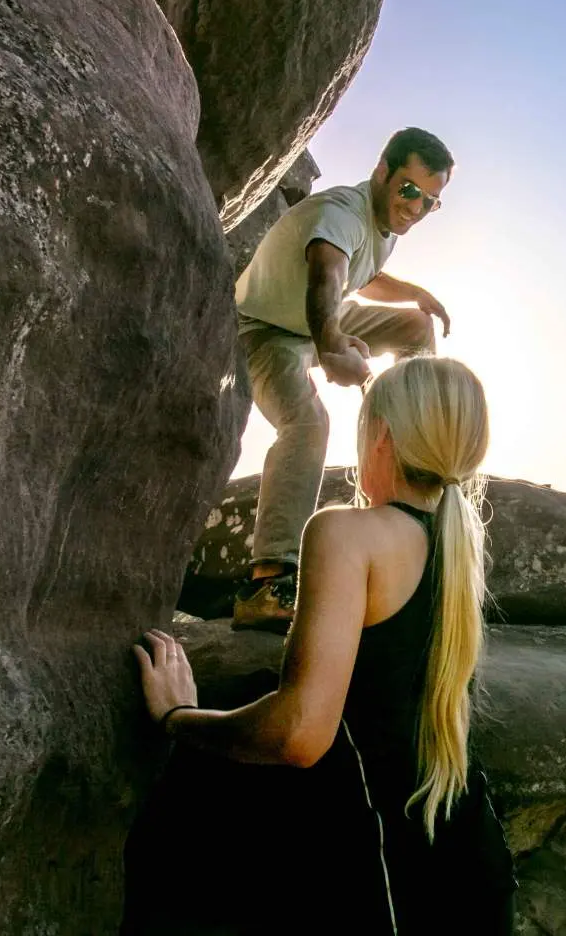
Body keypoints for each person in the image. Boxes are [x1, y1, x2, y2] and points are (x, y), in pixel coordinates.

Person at [134, 356, 515, 934]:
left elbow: (300, 733)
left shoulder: (347, 532)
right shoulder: (457, 550)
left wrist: (177, 717)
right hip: (466, 866)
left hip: (383, 880)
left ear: (381, 435)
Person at [231, 127, 456, 631]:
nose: (415, 209)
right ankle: (267, 582)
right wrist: (332, 347)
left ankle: (410, 454)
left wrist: (415, 294)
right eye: (409, 191)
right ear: (382, 172)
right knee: (308, 424)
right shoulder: (342, 212)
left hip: (322, 319)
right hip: (266, 330)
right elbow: (328, 274)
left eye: (429, 202)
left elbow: (364, 275)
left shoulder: (384, 225)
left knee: (415, 328)